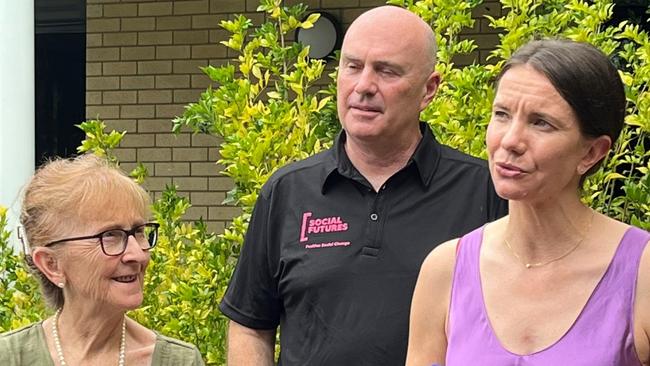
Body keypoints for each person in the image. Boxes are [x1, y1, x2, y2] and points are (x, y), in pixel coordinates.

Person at [219, 5, 507, 365]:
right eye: (353, 66)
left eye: (387, 71)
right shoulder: (288, 191)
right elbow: (250, 325)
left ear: (428, 90)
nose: (364, 86)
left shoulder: (486, 192)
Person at [406, 39, 650, 365]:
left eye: (541, 123)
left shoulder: (640, 272)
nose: (510, 141)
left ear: (591, 153)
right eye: (502, 114)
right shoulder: (446, 270)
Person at [0, 154, 204, 365]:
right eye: (110, 235)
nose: (138, 254)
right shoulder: (10, 358)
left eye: (139, 231)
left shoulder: (178, 361)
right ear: (52, 264)